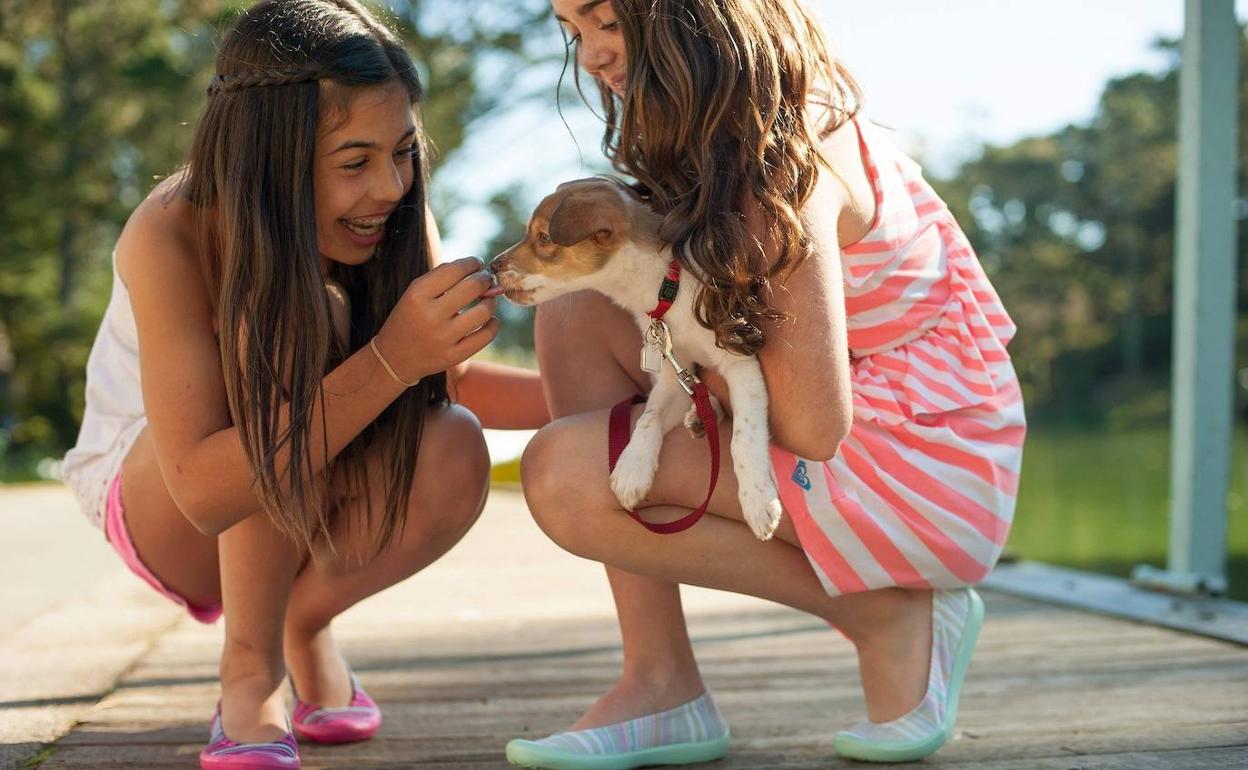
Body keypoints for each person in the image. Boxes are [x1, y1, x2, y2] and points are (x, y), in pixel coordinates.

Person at [505, 0, 1026, 766]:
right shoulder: (733, 142)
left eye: (606, 22)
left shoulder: (780, 171)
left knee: (565, 474)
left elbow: (814, 425)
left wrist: (682, 395)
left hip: (929, 466)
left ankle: (886, 613)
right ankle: (661, 681)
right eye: (574, 32)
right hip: (891, 430)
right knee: (579, 311)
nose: (589, 57)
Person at [59, 2, 546, 768]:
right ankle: (250, 670)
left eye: (403, 152)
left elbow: (441, 380)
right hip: (164, 501)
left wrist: (617, 396)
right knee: (288, 309)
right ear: (269, 156)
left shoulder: (392, 214)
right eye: (354, 162)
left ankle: (302, 623)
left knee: (452, 442)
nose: (389, 185)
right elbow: (201, 490)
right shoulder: (172, 229)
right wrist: (388, 356)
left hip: (293, 485)